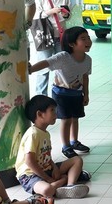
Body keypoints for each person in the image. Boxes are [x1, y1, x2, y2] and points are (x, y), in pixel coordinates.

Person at [29, 27, 92, 158]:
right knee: (66, 120)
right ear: (71, 44)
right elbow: (46, 62)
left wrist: (86, 94)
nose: (88, 41)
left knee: (75, 118)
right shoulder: (63, 57)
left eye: (88, 38)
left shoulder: (87, 59)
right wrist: (31, 69)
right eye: (83, 39)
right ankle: (66, 146)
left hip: (76, 94)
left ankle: (74, 142)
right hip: (61, 94)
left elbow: (85, 77)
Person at [15, 95, 90, 199]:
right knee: (47, 190)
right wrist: (47, 178)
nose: (56, 114)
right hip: (30, 175)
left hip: (46, 169)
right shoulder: (33, 134)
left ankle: (69, 186)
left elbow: (46, 157)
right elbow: (29, 162)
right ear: (40, 114)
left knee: (77, 160)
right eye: (52, 111)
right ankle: (63, 181)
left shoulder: (45, 133)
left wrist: (54, 168)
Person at [32, 0, 71, 96]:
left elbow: (68, 14)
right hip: (44, 35)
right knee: (43, 69)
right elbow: (36, 15)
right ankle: (41, 97)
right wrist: (51, 11)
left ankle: (60, 95)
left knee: (61, 67)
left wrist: (66, 14)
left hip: (60, 35)